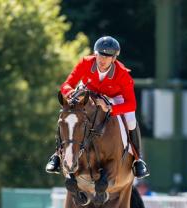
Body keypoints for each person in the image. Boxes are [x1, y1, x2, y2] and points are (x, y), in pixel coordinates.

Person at [46, 36, 149, 178]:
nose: (103, 60)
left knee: (131, 119)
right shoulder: (85, 62)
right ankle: (57, 155)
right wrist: (72, 95)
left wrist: (110, 109)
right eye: (101, 55)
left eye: (108, 57)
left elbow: (131, 104)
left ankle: (138, 159)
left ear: (114, 59)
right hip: (89, 91)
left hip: (113, 97)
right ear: (95, 53)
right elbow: (66, 85)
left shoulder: (123, 74)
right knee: (67, 116)